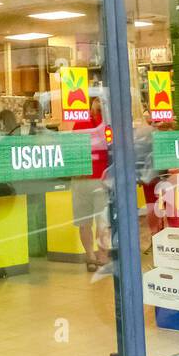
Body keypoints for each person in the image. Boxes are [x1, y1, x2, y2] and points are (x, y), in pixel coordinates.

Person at [69, 96, 111, 271]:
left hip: (80, 179)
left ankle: (90, 257)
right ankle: (102, 258)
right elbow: (113, 149)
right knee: (102, 221)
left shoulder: (79, 123)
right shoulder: (107, 125)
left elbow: (71, 149)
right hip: (101, 179)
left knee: (84, 222)